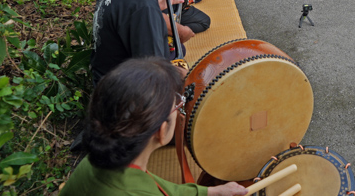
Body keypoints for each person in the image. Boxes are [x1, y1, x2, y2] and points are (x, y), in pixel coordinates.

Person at [60, 57, 247, 196]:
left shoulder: (95, 162)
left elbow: (161, 188)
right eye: (178, 104)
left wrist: (213, 192)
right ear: (162, 130)